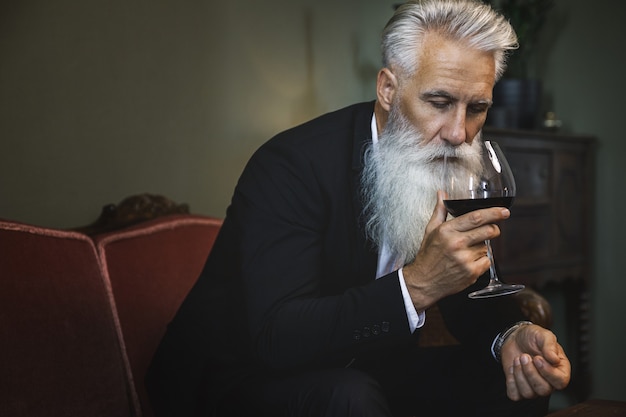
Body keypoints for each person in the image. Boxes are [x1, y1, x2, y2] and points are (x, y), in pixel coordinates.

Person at [146, 1, 571, 416]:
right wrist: (417, 285)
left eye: (476, 108)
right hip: (234, 378)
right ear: (388, 89)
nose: (459, 133)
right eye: (439, 103)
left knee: (519, 378)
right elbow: (277, 337)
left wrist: (509, 336)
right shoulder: (291, 165)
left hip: (363, 366)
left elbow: (461, 289)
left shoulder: (441, 157)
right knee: (350, 395)